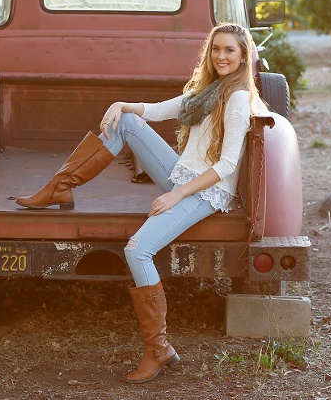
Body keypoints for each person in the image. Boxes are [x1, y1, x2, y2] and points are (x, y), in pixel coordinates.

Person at [14, 22, 262, 383]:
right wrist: (120, 103)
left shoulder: (236, 98)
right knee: (127, 121)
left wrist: (176, 194)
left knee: (137, 251)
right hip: (182, 174)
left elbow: (226, 167)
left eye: (230, 51)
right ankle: (60, 187)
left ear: (243, 58)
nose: (221, 56)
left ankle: (158, 350)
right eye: (216, 49)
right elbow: (161, 110)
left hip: (206, 191)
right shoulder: (207, 88)